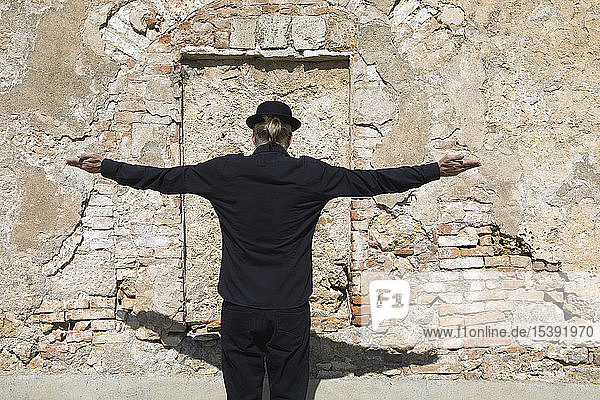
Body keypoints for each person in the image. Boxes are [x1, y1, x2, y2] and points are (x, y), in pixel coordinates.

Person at [66, 100, 480, 399]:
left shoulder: (225, 172)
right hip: (289, 308)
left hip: (240, 307)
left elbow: (161, 178)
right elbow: (374, 182)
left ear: (254, 133)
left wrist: (104, 166)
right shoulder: (312, 175)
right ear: (290, 134)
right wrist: (434, 170)